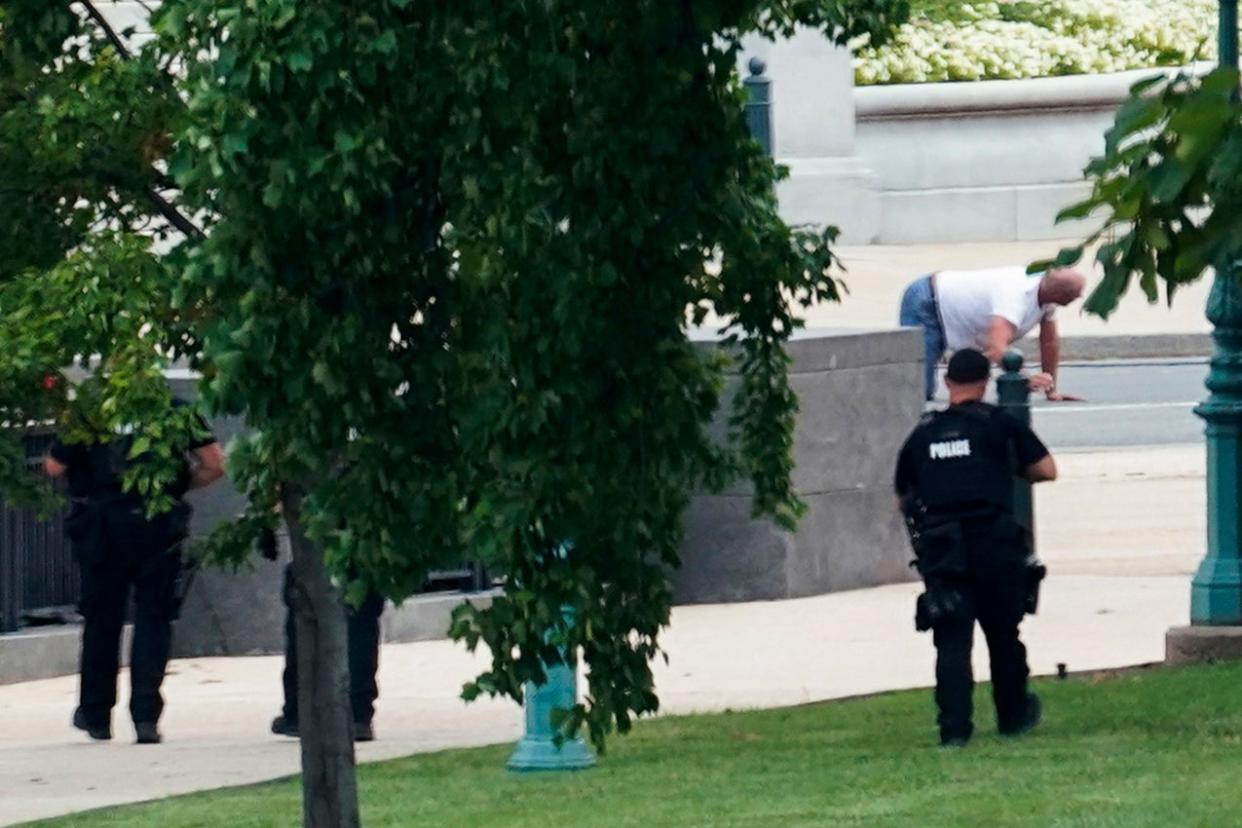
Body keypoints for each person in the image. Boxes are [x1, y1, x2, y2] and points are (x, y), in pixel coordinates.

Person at [894, 349, 1056, 748]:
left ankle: (954, 730)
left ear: (948, 382)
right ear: (985, 381)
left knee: (951, 639)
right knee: (1003, 635)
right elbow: (1046, 469)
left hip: (943, 549)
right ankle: (1013, 716)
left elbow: (903, 495)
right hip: (994, 543)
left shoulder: (923, 434)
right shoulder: (997, 424)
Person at [44, 399, 225, 744]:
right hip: (157, 522)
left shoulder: (93, 409)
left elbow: (54, 465)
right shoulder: (176, 411)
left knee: (101, 621)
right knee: (153, 619)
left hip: (102, 526)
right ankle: (145, 716)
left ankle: (96, 714)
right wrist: (176, 484)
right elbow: (214, 463)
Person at [898, 265, 1086, 401]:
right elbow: (996, 348)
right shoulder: (1015, 297)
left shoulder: (1047, 296)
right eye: (1075, 294)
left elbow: (1049, 342)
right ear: (1060, 295)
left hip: (953, 313)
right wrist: (1025, 379)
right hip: (927, 302)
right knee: (918, 390)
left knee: (966, 382)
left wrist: (1051, 388)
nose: (1079, 297)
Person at [266, 528, 384, 743]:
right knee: (361, 626)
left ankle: (299, 712)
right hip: (364, 535)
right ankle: (357, 715)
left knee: (305, 623)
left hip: (320, 537)